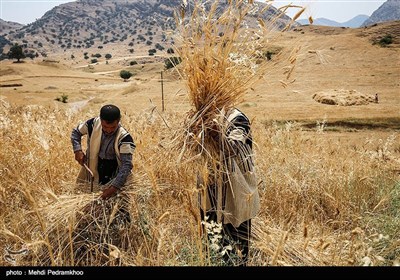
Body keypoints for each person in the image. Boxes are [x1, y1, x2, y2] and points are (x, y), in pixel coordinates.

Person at [197, 107, 260, 266]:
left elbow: (234, 148)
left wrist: (215, 135)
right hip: (211, 191)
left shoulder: (237, 119)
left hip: (234, 193)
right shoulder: (204, 116)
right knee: (212, 243)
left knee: (236, 246)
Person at [71, 104, 136, 200]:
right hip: (94, 166)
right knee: (89, 201)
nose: (109, 130)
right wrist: (77, 150)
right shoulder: (92, 124)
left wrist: (114, 187)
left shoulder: (124, 138)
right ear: (100, 120)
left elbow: (126, 165)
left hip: (114, 171)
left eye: (113, 127)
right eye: (105, 126)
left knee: (116, 205)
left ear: (118, 121)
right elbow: (76, 132)